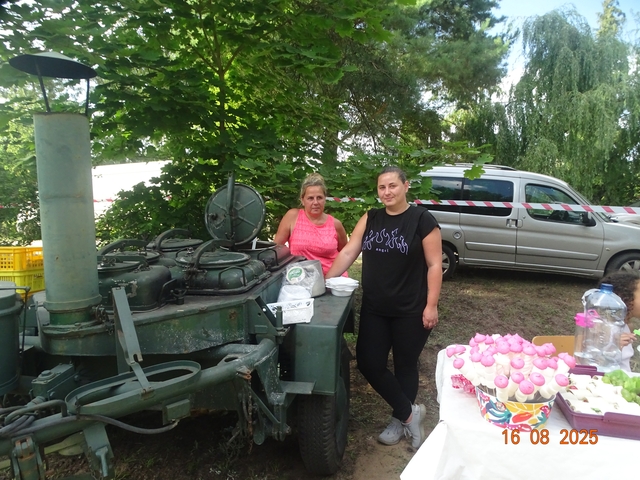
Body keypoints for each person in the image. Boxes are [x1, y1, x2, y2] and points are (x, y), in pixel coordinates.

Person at [325, 165, 442, 449]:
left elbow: (434, 264)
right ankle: (409, 414)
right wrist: (324, 281)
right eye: (382, 187)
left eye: (392, 185)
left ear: (405, 186)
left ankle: (399, 419)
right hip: (375, 307)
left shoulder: (422, 220)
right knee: (368, 363)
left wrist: (431, 305)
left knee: (405, 364)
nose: (387, 192)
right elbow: (349, 251)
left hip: (411, 308)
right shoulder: (371, 217)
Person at [274, 173, 348, 276]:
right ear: (302, 200)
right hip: (299, 278)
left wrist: (329, 279)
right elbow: (276, 249)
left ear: (325, 199)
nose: (315, 202)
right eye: (310, 198)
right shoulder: (292, 217)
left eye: (319, 197)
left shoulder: (336, 224)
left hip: (331, 279)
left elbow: (345, 255)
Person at [598, 271, 639, 371]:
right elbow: (593, 366)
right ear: (625, 298)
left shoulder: (627, 327)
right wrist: (613, 348)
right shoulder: (601, 329)